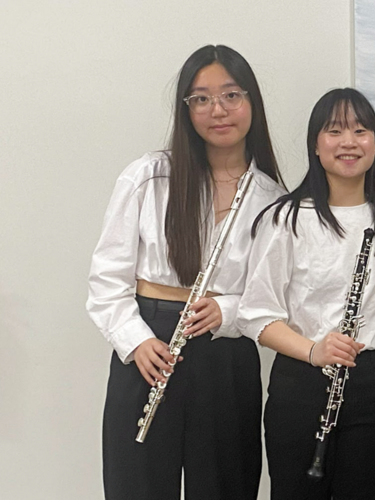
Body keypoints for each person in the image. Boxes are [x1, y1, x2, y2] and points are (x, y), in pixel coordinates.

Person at [86, 45, 286, 500]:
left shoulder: (273, 200)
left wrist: (229, 311)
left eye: (231, 95)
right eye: (201, 98)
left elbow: (270, 296)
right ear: (186, 108)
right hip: (149, 346)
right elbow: (107, 280)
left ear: (252, 101)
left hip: (225, 354)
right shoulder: (148, 176)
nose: (218, 110)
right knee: (137, 483)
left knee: (224, 484)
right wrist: (136, 341)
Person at [237, 88, 375, 500]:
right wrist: (313, 350)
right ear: (316, 146)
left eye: (361, 131)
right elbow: (255, 315)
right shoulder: (286, 218)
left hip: (369, 382)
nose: (348, 142)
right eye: (335, 131)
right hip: (300, 382)